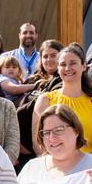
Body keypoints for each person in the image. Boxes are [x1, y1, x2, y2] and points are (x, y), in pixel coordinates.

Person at [33, 45, 92, 155]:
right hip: (54, 168)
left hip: (87, 168)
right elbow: (38, 142)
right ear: (58, 68)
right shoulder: (45, 100)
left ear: (83, 66)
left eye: (73, 63)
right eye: (63, 64)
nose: (67, 68)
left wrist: (81, 165)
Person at [17, 40, 64, 168]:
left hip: (39, 152)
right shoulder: (36, 80)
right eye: (45, 56)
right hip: (21, 153)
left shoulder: (61, 82)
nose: (48, 59)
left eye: (53, 55)